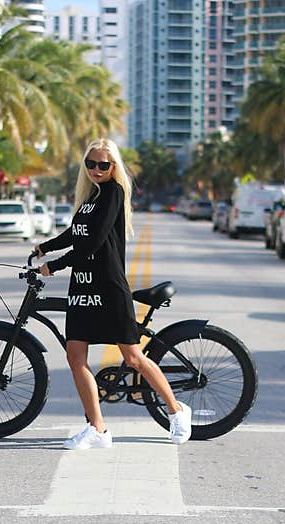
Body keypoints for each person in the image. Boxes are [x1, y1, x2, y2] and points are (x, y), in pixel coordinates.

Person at [32, 137, 192, 450]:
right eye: (90, 163)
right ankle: (98, 429)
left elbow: (92, 244)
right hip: (82, 287)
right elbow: (76, 234)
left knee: (133, 357)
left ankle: (176, 410)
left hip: (108, 289)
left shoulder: (113, 194)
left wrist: (55, 265)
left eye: (103, 164)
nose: (96, 169)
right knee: (75, 356)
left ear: (113, 166)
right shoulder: (91, 196)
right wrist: (44, 247)